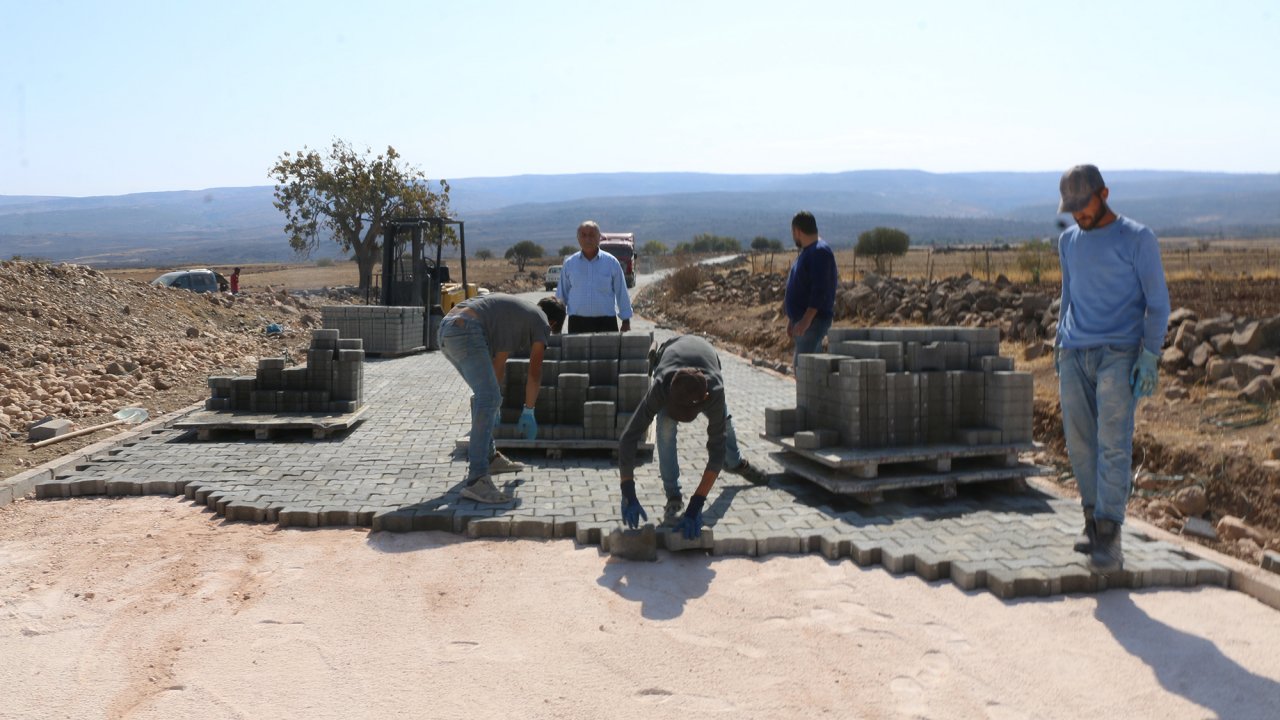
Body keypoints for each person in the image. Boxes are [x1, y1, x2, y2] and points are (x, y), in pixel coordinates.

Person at [1054, 164, 1170, 574]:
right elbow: (1068, 294)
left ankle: (1110, 536)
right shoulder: (1068, 241)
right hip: (1074, 353)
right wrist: (1058, 344)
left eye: (1083, 207)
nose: (1078, 216)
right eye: (1072, 210)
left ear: (1104, 193)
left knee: (1113, 442)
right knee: (1080, 443)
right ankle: (1091, 523)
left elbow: (1158, 304)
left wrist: (1150, 355)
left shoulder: (1138, 239)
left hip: (1119, 354)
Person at [616, 334, 765, 539]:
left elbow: (716, 452)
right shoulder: (662, 386)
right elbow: (629, 437)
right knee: (665, 427)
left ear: (704, 398)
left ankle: (736, 462)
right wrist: (628, 492)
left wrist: (697, 504)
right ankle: (673, 495)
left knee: (724, 424)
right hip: (673, 351)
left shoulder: (714, 392)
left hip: (705, 354)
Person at [439, 293, 566, 503]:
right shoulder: (541, 321)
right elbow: (535, 371)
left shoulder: (516, 314)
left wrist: (495, 400)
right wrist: (529, 410)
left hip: (448, 329)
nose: (546, 336)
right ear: (552, 322)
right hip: (465, 331)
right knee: (487, 398)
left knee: (487, 396)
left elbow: (498, 364)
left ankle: (489, 458)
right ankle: (478, 479)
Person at [556, 220, 634, 333]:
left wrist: (626, 322)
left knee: (608, 351)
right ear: (578, 238)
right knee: (577, 351)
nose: (588, 239)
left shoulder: (611, 263)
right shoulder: (569, 264)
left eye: (592, 235)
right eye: (583, 235)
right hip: (577, 323)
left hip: (606, 323)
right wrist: (557, 324)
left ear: (599, 237)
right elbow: (561, 297)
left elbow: (621, 292)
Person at [784, 210, 838, 367]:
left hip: (813, 324)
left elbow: (819, 290)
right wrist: (792, 319)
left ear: (798, 231)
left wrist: (806, 319)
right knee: (804, 370)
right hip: (803, 322)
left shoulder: (819, 252)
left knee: (805, 369)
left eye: (793, 232)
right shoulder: (808, 252)